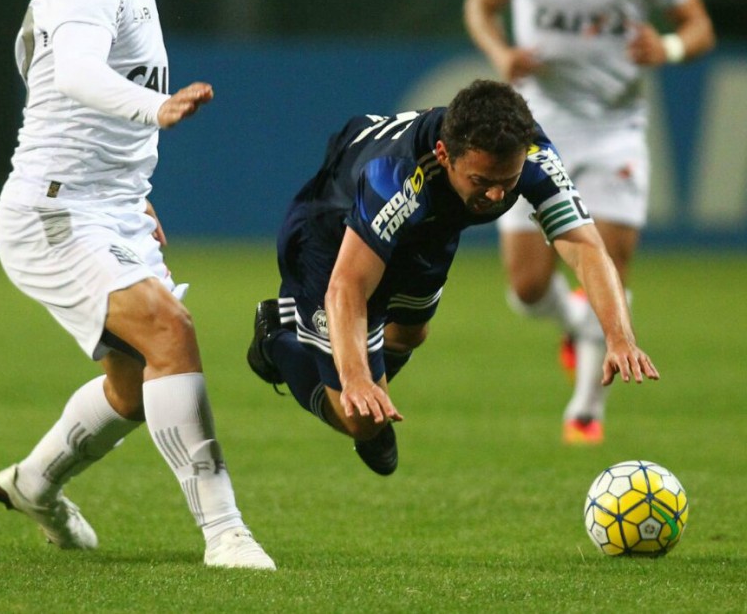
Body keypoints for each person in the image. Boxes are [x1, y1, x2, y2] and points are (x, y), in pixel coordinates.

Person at [0, 0, 274, 570]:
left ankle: (34, 484)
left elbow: (51, 76)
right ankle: (226, 533)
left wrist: (132, 196)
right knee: (170, 328)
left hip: (105, 206)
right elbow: (79, 73)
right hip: (54, 210)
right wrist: (155, 109)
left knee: (131, 382)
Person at [246, 79, 659, 475]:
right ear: (444, 155)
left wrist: (619, 337)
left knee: (410, 334)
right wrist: (355, 378)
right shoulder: (395, 179)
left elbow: (585, 246)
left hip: (427, 229)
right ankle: (275, 341)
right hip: (331, 239)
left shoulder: (532, 152)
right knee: (362, 421)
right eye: (482, 181)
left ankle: (364, 381)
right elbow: (349, 284)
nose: (497, 195)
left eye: (507, 181)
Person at [463, 0, 714, 445]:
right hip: (532, 131)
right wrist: (499, 52)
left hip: (616, 130)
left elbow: (699, 25)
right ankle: (577, 326)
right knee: (525, 288)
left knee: (609, 266)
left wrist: (673, 45)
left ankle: (587, 410)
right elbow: (479, 4)